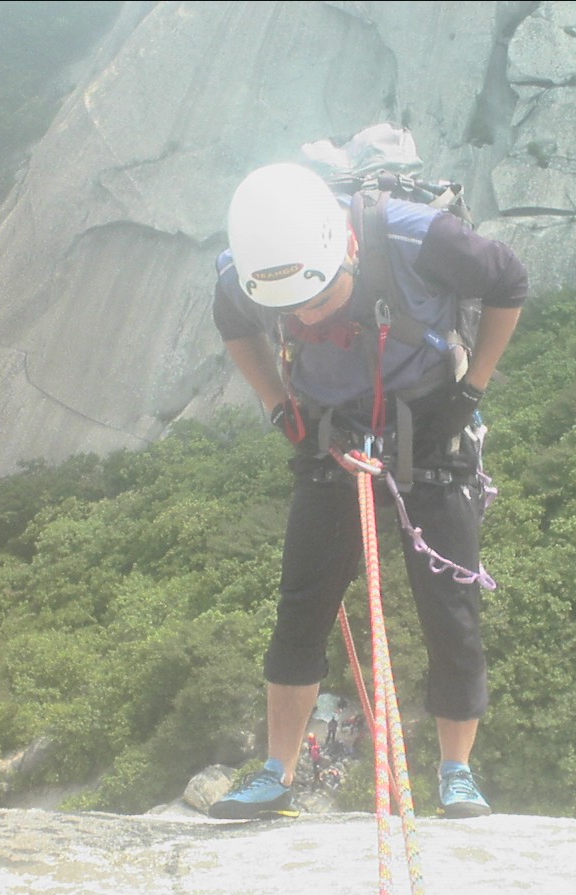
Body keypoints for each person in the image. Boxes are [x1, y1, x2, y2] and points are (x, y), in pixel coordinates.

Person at [206, 161, 527, 820]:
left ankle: (457, 772)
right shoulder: (252, 272)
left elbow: (508, 280)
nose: (304, 315)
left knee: (451, 607)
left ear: (349, 249)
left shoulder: (417, 240)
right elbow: (232, 320)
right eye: (289, 310)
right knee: (302, 603)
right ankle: (277, 771)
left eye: (320, 300)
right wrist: (277, 405)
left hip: (432, 427)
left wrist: (470, 394)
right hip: (333, 437)